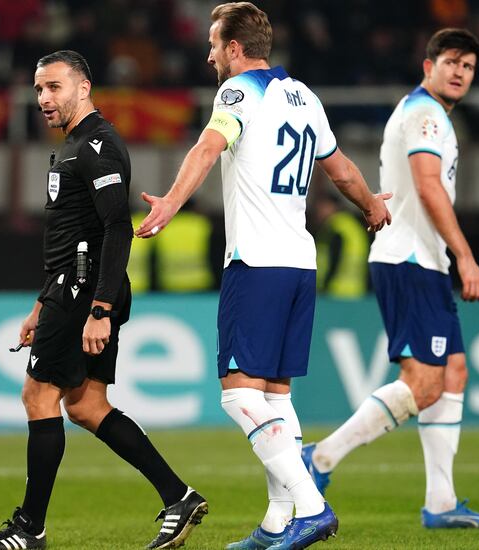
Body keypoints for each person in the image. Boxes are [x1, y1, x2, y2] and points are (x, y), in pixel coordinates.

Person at [135, 4, 392, 548]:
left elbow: (208, 147)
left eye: (213, 44)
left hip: (256, 262)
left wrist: (171, 203)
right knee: (275, 397)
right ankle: (278, 521)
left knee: (238, 396)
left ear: (234, 48)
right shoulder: (305, 96)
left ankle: (311, 507)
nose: (209, 56)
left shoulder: (236, 93)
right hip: (299, 263)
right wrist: (372, 205)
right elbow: (341, 170)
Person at [0, 50, 207, 550]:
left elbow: (117, 227)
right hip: (72, 288)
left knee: (38, 396)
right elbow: (70, 235)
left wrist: (99, 309)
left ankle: (29, 529)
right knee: (86, 405)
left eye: (54, 87)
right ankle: (178, 496)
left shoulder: (98, 145)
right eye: (38, 89)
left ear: (84, 87)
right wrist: (41, 305)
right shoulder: (74, 146)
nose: (43, 98)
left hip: (84, 290)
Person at [302, 29, 479, 530]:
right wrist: (466, 257)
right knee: (424, 381)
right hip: (410, 259)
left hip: (423, 261)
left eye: (469, 66)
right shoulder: (425, 115)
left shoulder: (429, 114)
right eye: (452, 62)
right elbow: (428, 185)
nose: (460, 72)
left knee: (452, 372)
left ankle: (441, 503)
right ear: (428, 66)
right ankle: (321, 457)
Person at [313, 191, 369, 299]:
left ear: (333, 206)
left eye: (323, 207)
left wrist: (324, 286)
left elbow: (335, 258)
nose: (319, 211)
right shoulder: (351, 225)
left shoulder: (336, 226)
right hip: (357, 290)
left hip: (335, 291)